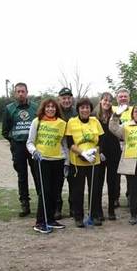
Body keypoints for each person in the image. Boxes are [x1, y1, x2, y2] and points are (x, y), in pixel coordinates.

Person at [26, 98, 68, 233]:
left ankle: (50, 219)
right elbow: (30, 142)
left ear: (57, 109)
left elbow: (64, 144)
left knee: (55, 192)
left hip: (58, 160)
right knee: (45, 191)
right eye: (48, 107)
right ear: (43, 108)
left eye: (53, 107)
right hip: (42, 160)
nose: (51, 109)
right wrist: (34, 151)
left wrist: (66, 161)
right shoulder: (36, 121)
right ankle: (40, 222)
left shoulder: (62, 123)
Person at [65, 98, 105, 227]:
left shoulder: (95, 121)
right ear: (78, 109)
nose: (85, 110)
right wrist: (83, 153)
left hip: (94, 161)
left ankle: (94, 215)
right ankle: (78, 217)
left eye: (87, 107)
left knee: (95, 190)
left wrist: (94, 152)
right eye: (82, 107)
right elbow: (70, 143)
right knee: (78, 191)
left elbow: (102, 141)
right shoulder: (72, 122)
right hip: (78, 161)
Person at [1, 82, 39, 217]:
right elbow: (5, 131)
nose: (21, 94)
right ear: (15, 93)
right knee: (22, 176)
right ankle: (25, 204)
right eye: (18, 91)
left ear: (27, 92)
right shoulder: (9, 108)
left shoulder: (35, 107)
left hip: (34, 146)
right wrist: (14, 141)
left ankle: (42, 202)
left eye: (23, 91)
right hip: (18, 147)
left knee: (38, 174)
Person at [94, 92, 122, 220]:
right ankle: (98, 210)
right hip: (100, 152)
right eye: (105, 100)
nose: (107, 103)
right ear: (100, 101)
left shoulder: (115, 116)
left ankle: (111, 209)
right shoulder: (94, 116)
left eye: (110, 101)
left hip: (114, 152)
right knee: (98, 183)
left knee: (112, 182)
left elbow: (118, 132)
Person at [55, 87, 75, 219]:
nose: (66, 100)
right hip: (58, 151)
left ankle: (73, 207)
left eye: (68, 98)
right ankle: (57, 208)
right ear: (59, 99)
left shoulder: (76, 112)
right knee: (57, 182)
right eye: (64, 98)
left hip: (73, 150)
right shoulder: (55, 112)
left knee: (74, 182)